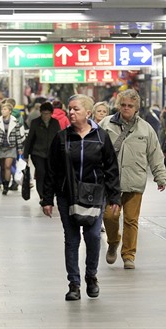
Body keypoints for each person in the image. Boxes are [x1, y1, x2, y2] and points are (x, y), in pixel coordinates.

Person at [41, 94, 121, 301]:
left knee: (93, 236)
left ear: (88, 112)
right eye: (70, 108)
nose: (71, 112)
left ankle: (91, 276)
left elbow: (111, 168)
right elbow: (51, 170)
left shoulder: (101, 136)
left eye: (76, 109)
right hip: (68, 194)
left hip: (95, 194)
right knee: (72, 239)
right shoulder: (62, 137)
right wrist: (47, 199)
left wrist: (114, 198)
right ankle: (74, 284)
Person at [99, 89, 166, 269]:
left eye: (130, 106)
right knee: (109, 216)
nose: (126, 108)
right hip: (111, 182)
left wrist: (160, 176)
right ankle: (113, 241)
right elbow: (94, 149)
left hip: (134, 180)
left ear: (136, 108)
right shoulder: (106, 124)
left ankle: (129, 255)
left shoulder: (145, 129)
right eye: (123, 105)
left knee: (131, 220)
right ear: (118, 105)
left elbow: (155, 153)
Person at [23, 102, 60, 201]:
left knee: (50, 173)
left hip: (51, 154)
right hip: (37, 153)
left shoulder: (55, 123)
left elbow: (59, 138)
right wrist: (25, 155)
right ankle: (42, 196)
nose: (45, 116)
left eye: (48, 113)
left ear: (51, 113)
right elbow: (30, 139)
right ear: (41, 113)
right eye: (44, 113)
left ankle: (49, 194)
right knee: (41, 172)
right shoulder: (35, 123)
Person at [0, 102, 24, 195]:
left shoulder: (15, 122)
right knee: (2, 167)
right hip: (0, 147)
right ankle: (4, 184)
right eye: (2, 109)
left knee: (8, 166)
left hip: (11, 147)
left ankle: (6, 187)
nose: (3, 111)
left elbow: (18, 135)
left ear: (10, 111)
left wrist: (20, 148)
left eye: (5, 109)